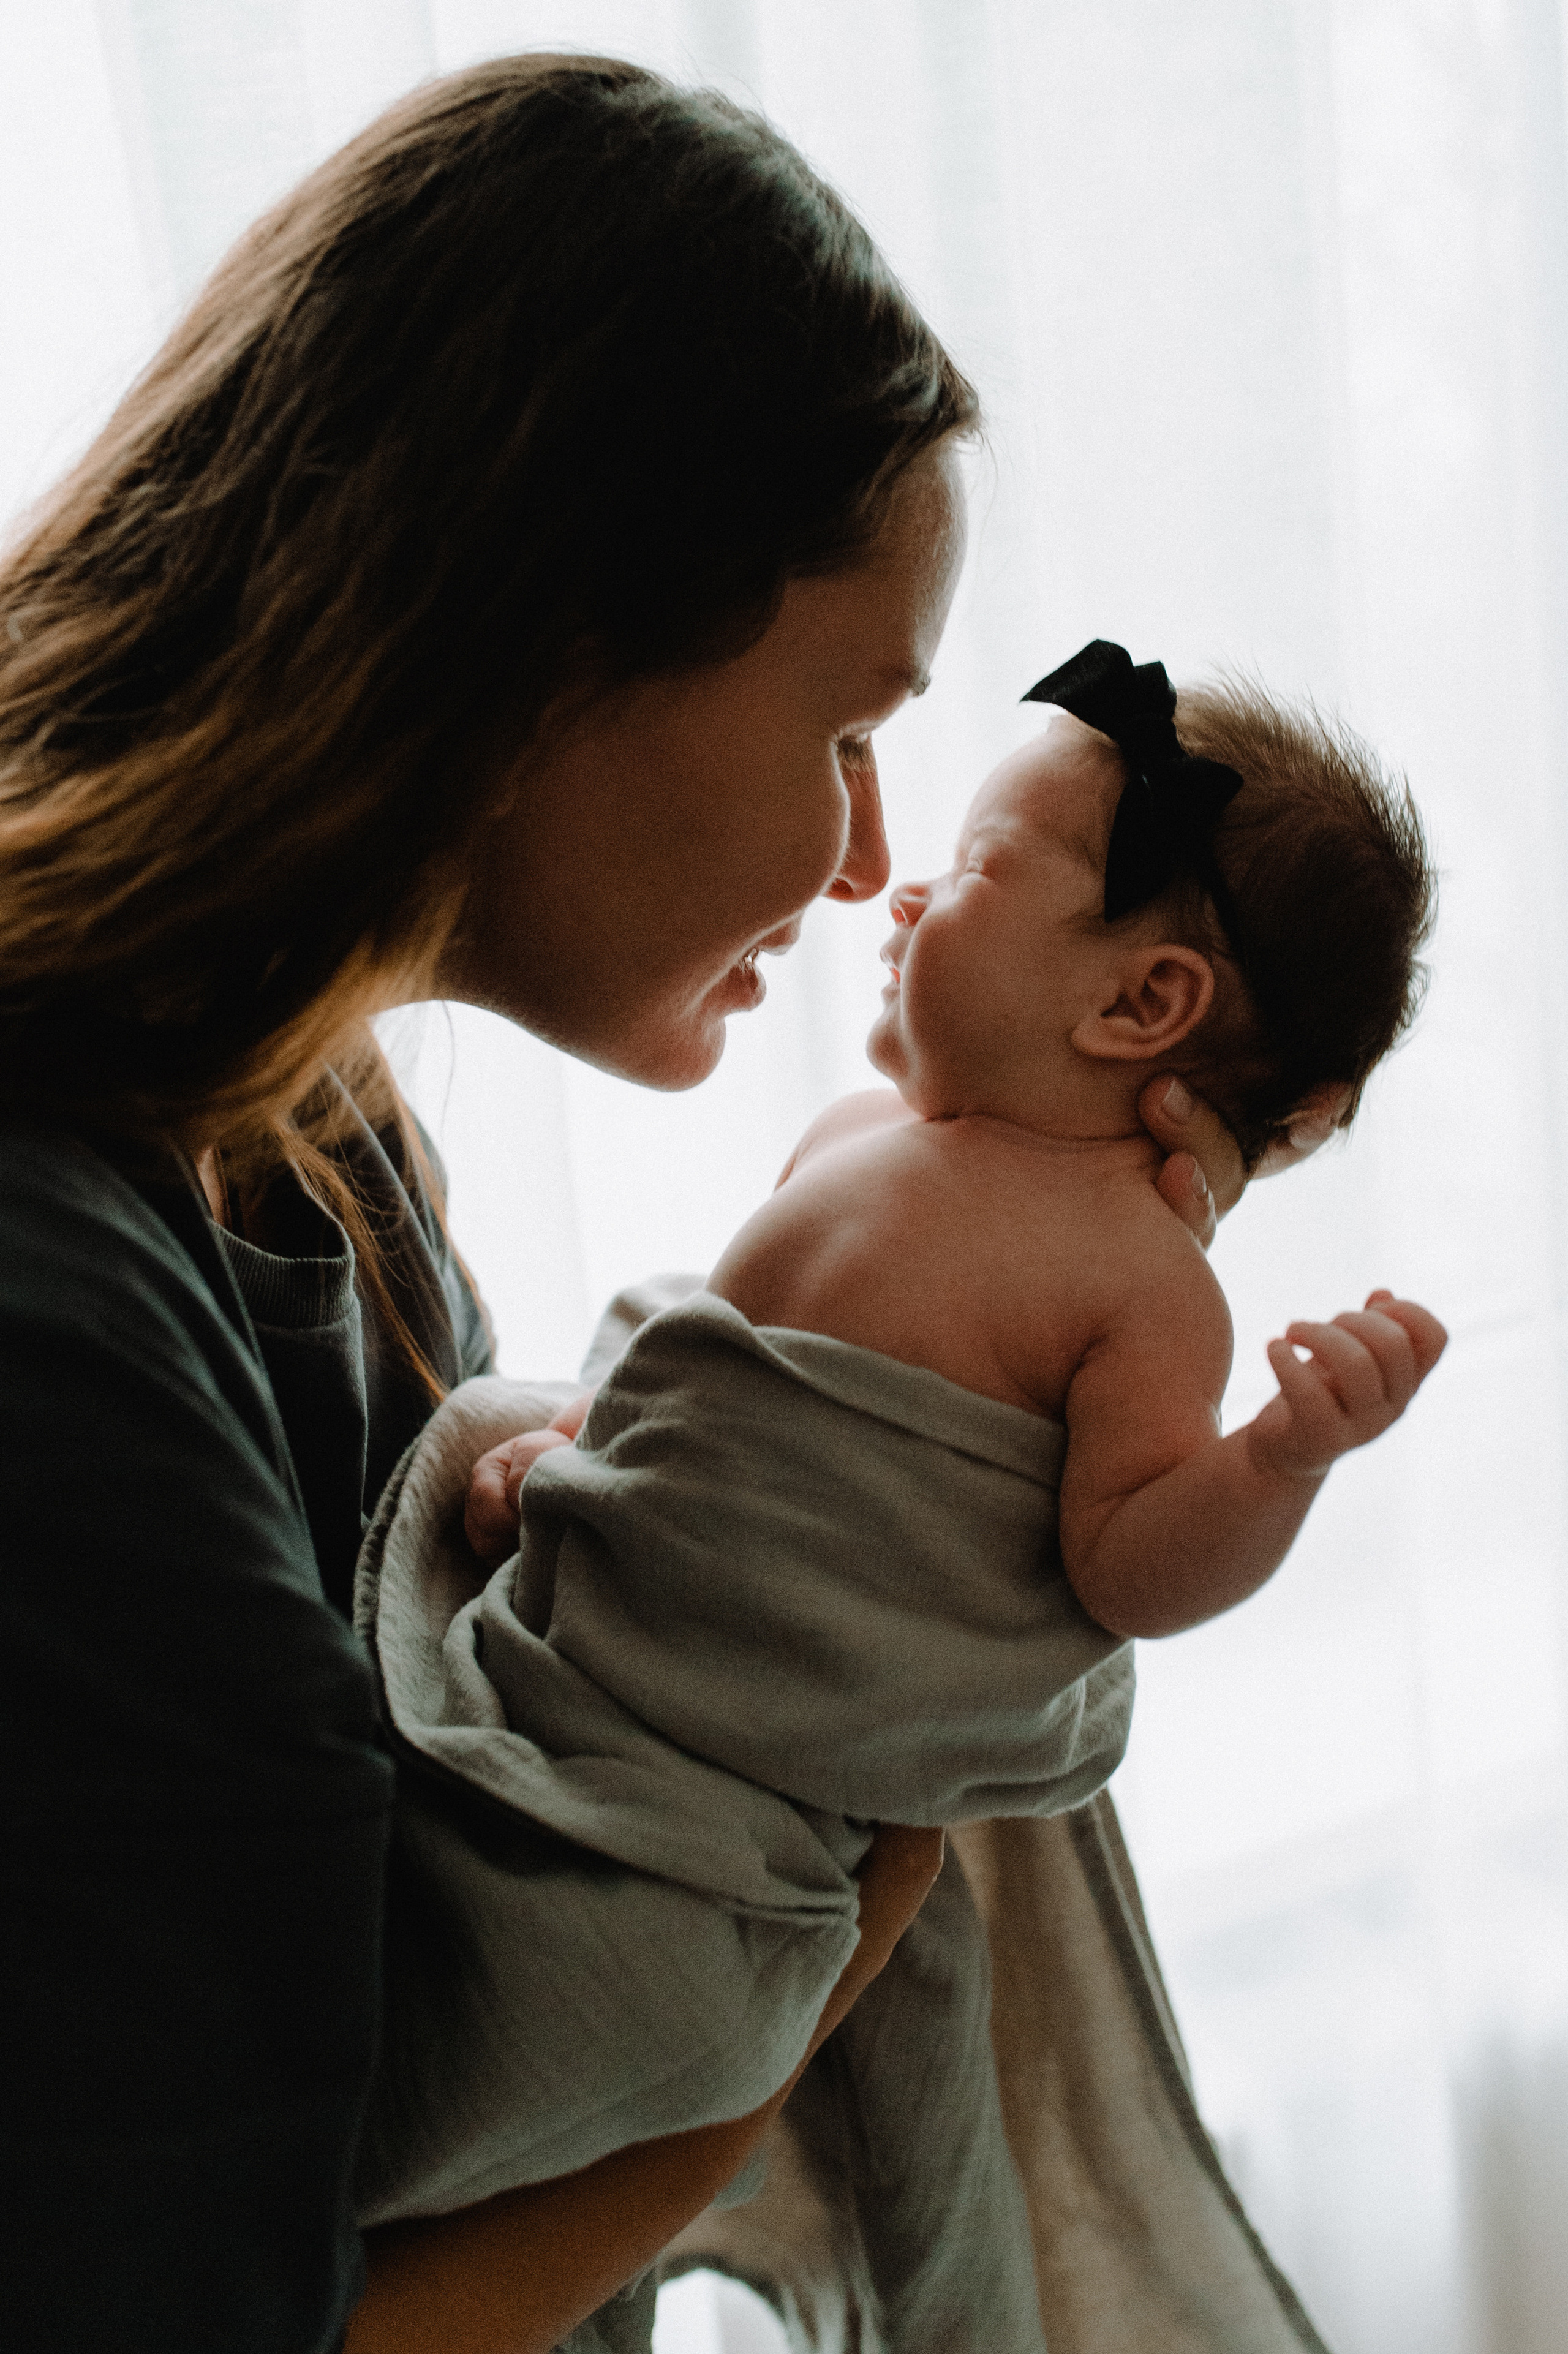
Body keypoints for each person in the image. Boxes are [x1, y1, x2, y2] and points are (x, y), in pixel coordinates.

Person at [0, 55, 1290, 2354]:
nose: (870, 859)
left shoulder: (310, 1132)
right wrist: (843, 1923)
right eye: (845, 731)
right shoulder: (59, 1335)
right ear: (544, 644)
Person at [374, 646, 1443, 2246]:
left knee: (544, 2033)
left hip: (704, 1834)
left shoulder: (1138, 1277)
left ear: (1139, 1003)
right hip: (571, 1656)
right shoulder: (865, 1136)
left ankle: (319, 2200)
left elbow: (1127, 1562)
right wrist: (598, 1452)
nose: (901, 891)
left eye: (972, 871)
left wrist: (1276, 1458)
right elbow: (733, 1391)